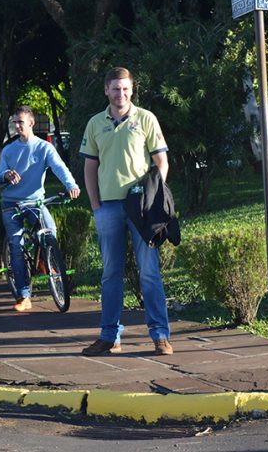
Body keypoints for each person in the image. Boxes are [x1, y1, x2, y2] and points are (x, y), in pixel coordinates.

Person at [79, 67, 173, 356]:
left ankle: (160, 335)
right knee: (110, 273)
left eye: (126, 89)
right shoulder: (95, 123)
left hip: (141, 208)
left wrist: (153, 198)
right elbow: (90, 168)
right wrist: (95, 205)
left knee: (149, 272)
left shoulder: (145, 119)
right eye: (116, 88)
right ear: (106, 90)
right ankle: (110, 336)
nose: (121, 93)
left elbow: (161, 162)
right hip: (108, 207)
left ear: (132, 90)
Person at [0, 106, 80, 312]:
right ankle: (24, 295)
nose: (17, 126)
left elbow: (59, 167)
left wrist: (71, 185)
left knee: (50, 229)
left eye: (20, 122)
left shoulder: (44, 148)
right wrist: (5, 175)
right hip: (11, 204)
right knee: (16, 245)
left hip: (35, 202)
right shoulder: (9, 150)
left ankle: (45, 257)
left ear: (31, 123)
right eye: (14, 122)